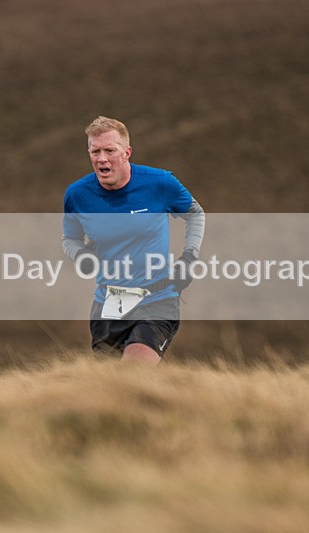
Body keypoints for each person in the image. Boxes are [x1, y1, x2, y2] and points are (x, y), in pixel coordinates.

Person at [62, 116, 205, 365]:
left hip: (157, 299)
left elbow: (195, 214)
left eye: (110, 150)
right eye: (95, 151)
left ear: (127, 152)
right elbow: (70, 239)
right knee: (107, 391)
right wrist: (80, 255)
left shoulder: (159, 183)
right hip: (108, 303)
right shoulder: (77, 194)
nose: (102, 158)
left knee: (134, 371)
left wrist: (189, 256)